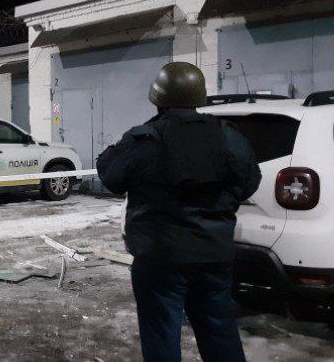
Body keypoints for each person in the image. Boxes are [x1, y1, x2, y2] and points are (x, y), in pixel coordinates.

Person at [97, 62, 261, 362]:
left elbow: (111, 177)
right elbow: (250, 182)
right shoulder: (227, 136)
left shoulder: (145, 139)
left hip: (160, 259)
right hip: (214, 256)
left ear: (158, 98)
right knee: (220, 333)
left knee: (161, 335)